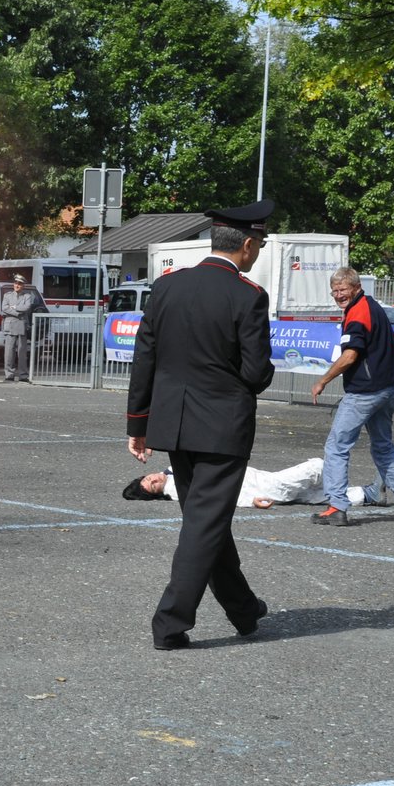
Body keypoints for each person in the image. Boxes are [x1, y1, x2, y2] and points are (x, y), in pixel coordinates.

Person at [126, 198, 276, 650]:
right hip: (221, 426)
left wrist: (138, 422)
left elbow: (144, 358)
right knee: (203, 524)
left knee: (205, 520)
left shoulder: (167, 287)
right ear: (247, 245)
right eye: (260, 244)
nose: (258, 251)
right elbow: (255, 374)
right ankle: (170, 623)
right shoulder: (248, 295)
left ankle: (244, 609)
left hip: (173, 422)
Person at [309, 267, 394, 528]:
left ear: (356, 287)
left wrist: (322, 381)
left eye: (343, 290)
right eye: (335, 291)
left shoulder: (359, 312)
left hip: (367, 390)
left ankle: (336, 507)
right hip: (389, 386)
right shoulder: (371, 305)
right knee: (383, 445)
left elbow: (350, 355)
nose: (339, 295)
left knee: (337, 446)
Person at [123, 458, 391, 509]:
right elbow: (216, 498)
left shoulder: (172, 470)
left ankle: (367, 496)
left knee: (314, 496)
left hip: (259, 478)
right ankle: (347, 494)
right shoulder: (178, 489)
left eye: (148, 479)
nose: (154, 480)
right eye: (153, 486)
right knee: (316, 467)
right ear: (158, 493)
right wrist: (250, 502)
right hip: (262, 487)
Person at [0, 273, 48, 383]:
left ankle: (23, 375)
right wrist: (17, 312)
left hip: (21, 326)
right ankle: (9, 374)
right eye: (16, 283)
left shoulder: (27, 296)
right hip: (10, 325)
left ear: (23, 285)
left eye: (19, 284)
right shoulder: (7, 295)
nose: (17, 285)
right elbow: (4, 308)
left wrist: (14, 308)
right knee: (9, 352)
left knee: (22, 352)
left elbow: (26, 307)